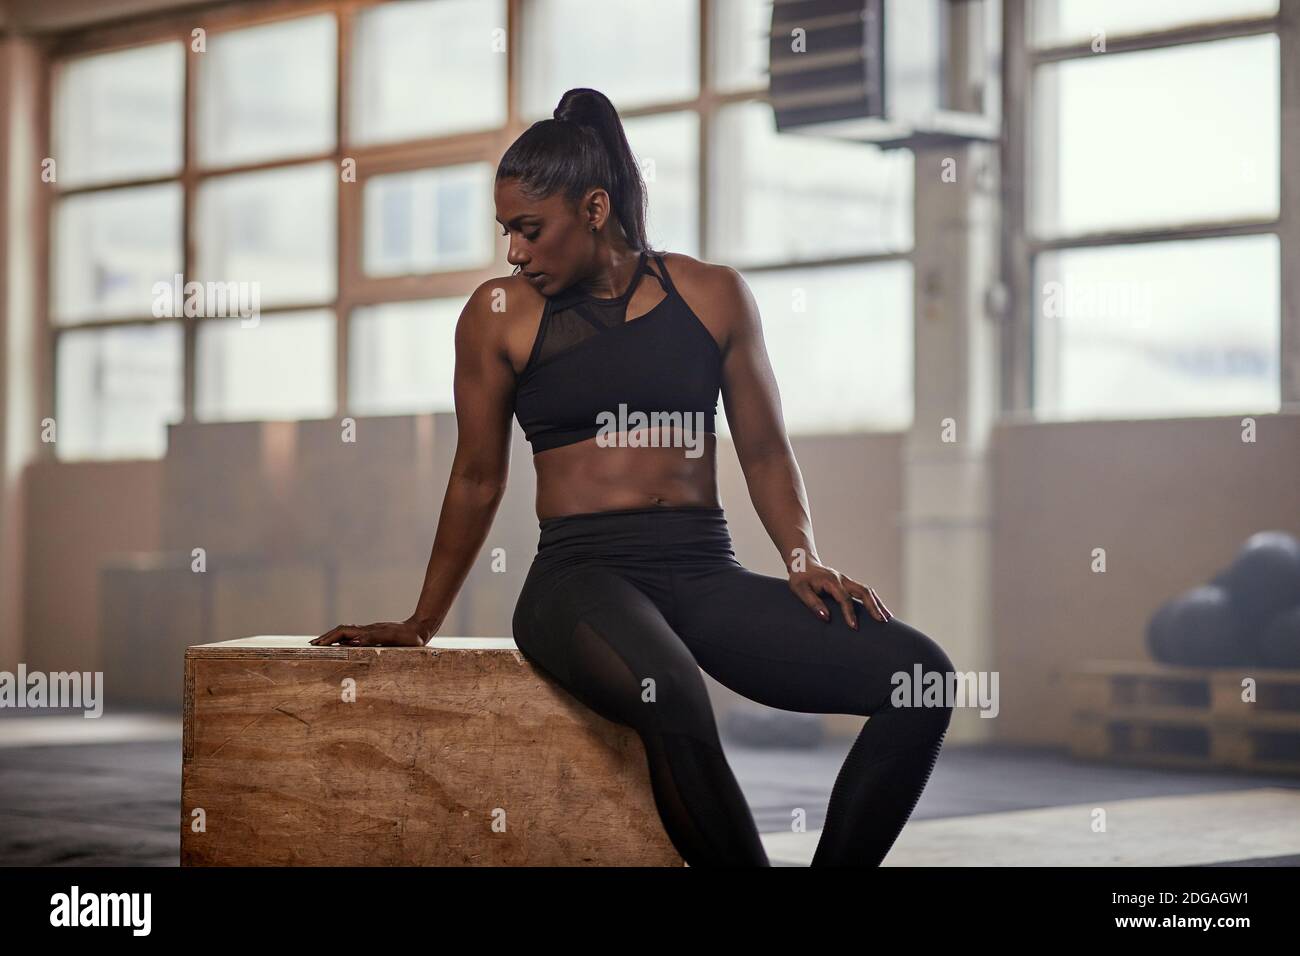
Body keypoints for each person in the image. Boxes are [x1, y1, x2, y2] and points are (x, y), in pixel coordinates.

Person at [313, 87, 955, 867]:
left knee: (919, 677)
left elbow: (763, 450)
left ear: (593, 207)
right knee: (671, 691)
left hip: (701, 570)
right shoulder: (495, 315)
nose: (513, 251)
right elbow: (479, 478)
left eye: (528, 229)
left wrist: (801, 557)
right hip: (579, 582)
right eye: (505, 230)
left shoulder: (713, 295)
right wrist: (421, 620)